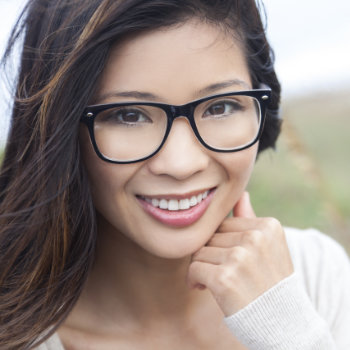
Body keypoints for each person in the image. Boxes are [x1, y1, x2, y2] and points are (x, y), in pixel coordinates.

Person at [0, 0, 349, 349]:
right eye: (129, 115)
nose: (181, 165)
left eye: (220, 106)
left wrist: (288, 331)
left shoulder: (316, 276)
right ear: (60, 131)